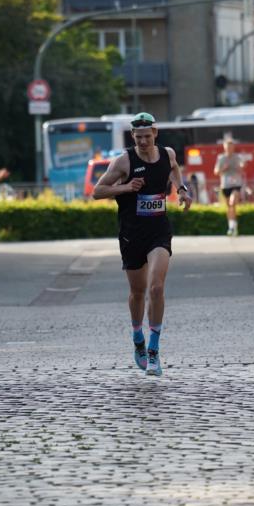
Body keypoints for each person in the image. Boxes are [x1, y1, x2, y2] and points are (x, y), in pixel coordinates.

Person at [92, 112, 192, 378]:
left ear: (155, 133)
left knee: (156, 287)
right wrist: (125, 188)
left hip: (159, 231)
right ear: (132, 137)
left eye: (148, 136)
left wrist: (181, 189)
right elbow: (97, 191)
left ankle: (154, 350)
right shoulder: (124, 161)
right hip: (132, 233)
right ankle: (138, 336)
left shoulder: (168, 153)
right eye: (139, 138)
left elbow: (174, 169)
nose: (144, 142)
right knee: (137, 292)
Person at [214, 138, 245, 236]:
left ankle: (232, 227)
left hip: (236, 184)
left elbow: (242, 166)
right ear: (224, 147)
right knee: (230, 207)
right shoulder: (221, 158)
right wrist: (224, 168)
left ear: (233, 147)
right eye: (227, 147)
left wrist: (241, 167)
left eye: (231, 147)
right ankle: (232, 226)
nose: (229, 149)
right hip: (225, 185)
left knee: (232, 202)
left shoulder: (237, 157)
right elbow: (216, 172)